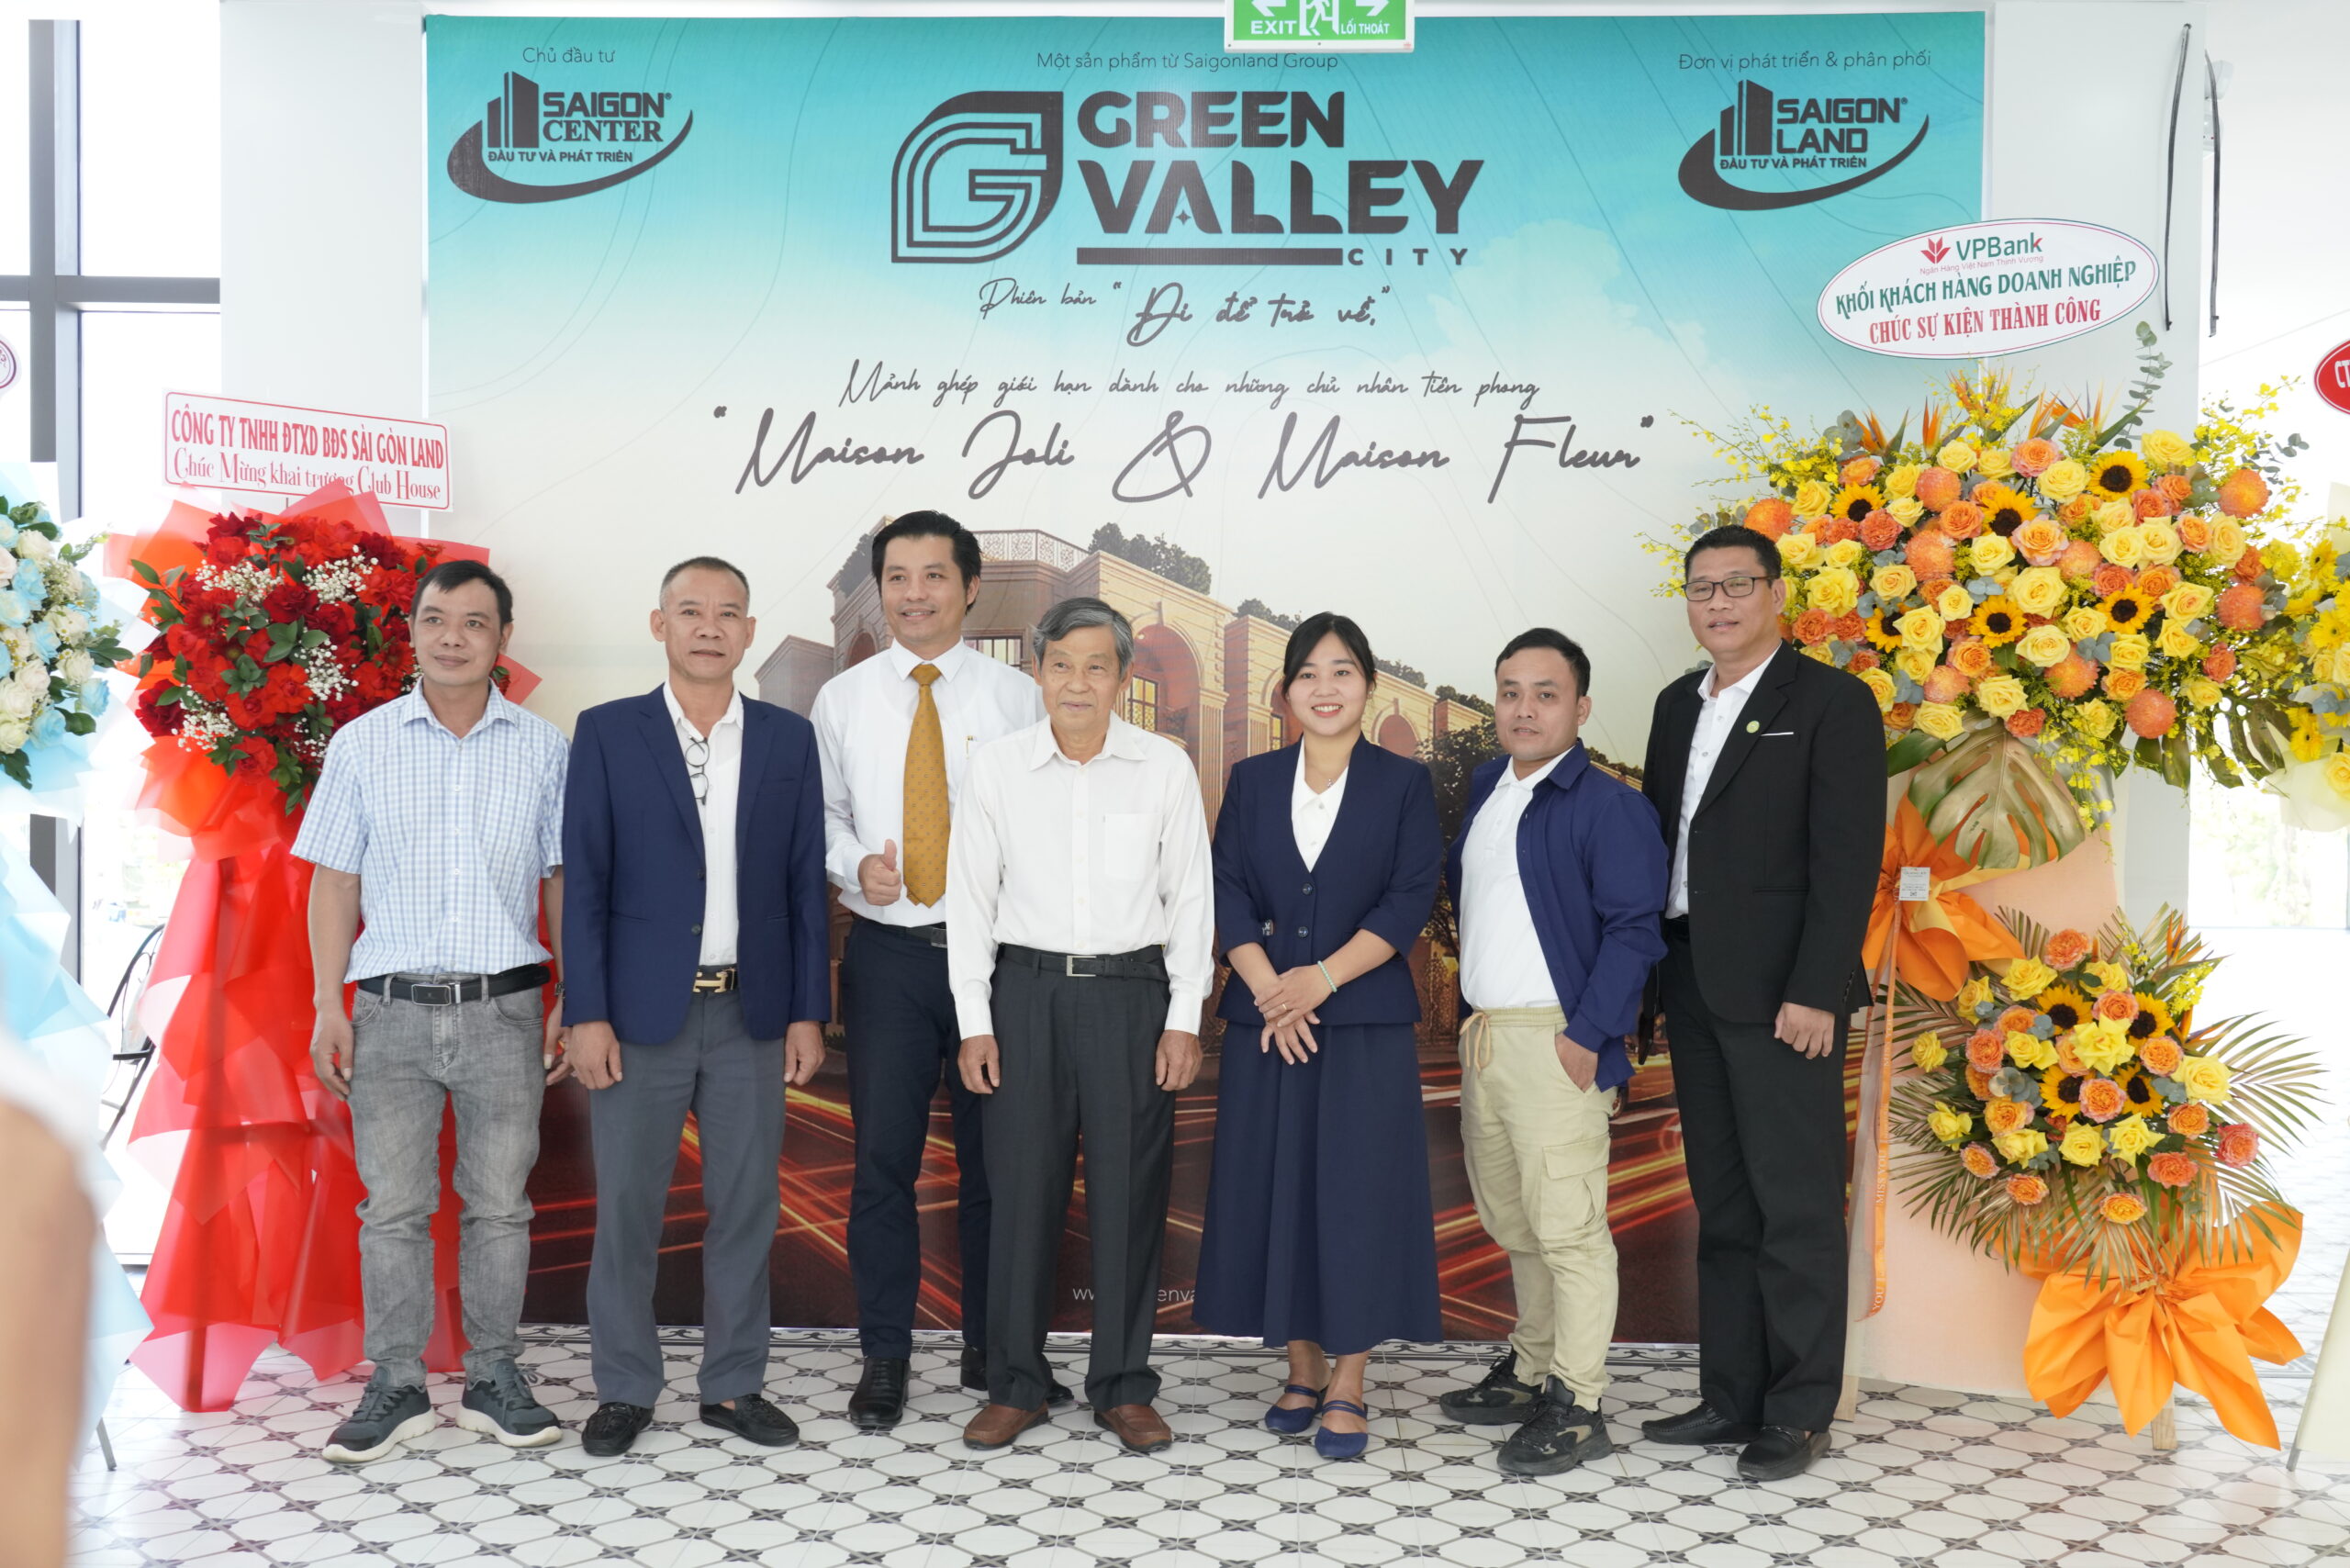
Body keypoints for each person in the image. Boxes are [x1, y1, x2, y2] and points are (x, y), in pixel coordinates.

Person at [296, 559, 570, 1462]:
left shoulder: (544, 749)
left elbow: (560, 880)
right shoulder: (362, 744)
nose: (453, 637)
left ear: (503, 639)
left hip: (506, 1010)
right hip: (390, 1010)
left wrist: (572, 996)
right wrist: (327, 1003)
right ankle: (397, 1384)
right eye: (436, 619)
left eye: (475, 622)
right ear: (412, 630)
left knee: (500, 1205)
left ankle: (494, 1375)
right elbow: (334, 881)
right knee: (393, 1208)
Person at [563, 557, 831, 1458]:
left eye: (727, 613)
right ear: (660, 624)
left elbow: (804, 884)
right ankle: (624, 1388)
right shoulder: (608, 732)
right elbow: (585, 881)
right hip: (639, 1017)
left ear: (749, 631)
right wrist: (586, 1011)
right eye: (690, 611)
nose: (709, 627)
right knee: (628, 1210)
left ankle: (733, 1385)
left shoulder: (788, 739)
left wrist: (807, 1010)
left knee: (747, 1207)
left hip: (752, 1013)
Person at [1638, 523, 1882, 1482]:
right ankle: (1730, 1395)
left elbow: (1846, 859)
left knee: (1797, 1206)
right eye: (1702, 588)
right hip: (1692, 979)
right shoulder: (1674, 705)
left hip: (1785, 997)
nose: (1719, 603)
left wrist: (1817, 989)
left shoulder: (1830, 702)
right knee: (1725, 1203)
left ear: (1777, 594)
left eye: (1737, 584)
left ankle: (1798, 1409)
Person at [947, 597, 1214, 1455]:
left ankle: (1123, 1386)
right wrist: (975, 1022)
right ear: (1038, 671)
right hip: (1024, 995)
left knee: (1130, 1196)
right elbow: (969, 903)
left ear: (1122, 677)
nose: (1077, 682)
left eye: (1097, 666)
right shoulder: (998, 769)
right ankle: (1016, 1384)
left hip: (1131, 998)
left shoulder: (1163, 767)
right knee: (1021, 1194)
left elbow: (1191, 900)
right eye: (1060, 664)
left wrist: (1182, 1017)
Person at [811, 510, 1054, 1429]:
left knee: (1001, 1167)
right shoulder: (843, 700)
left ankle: (995, 1349)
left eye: (934, 575)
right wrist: (852, 865)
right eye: (897, 578)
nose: (914, 594)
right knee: (883, 1165)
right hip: (890, 959)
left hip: (996, 963)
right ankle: (885, 1355)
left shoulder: (1017, 698)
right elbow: (824, 815)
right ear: (882, 590)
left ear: (970, 586)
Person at [1192, 612, 1442, 1462]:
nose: (1325, 688)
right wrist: (1273, 992)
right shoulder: (1253, 779)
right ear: (1285, 691)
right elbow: (1225, 890)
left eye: (1342, 672)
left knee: (1357, 1193)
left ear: (1367, 685)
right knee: (1276, 1187)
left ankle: (1349, 1380)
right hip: (1267, 1028)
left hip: (1364, 1027)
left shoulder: (1402, 784)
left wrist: (1320, 982)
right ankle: (1301, 1368)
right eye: (1308, 674)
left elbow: (1408, 899)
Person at [1434, 628, 1666, 1476]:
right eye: (1510, 692)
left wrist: (1588, 1035)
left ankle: (1579, 1402)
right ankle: (1532, 1368)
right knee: (1516, 1222)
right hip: (1489, 1037)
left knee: (1569, 1232)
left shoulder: (1610, 806)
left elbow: (1636, 931)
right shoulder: (1490, 789)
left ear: (1581, 707)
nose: (1524, 709)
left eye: (1546, 693)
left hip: (1558, 1042)